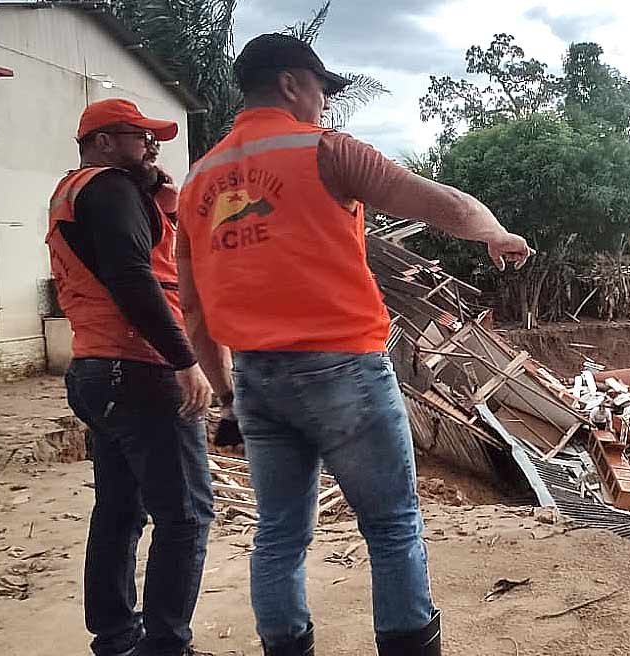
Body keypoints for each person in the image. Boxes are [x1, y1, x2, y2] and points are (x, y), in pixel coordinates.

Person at [175, 33, 533, 656]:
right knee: (392, 526)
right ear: (291, 84)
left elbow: (196, 305)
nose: (324, 104)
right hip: (345, 372)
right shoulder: (324, 151)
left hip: (258, 380)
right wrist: (494, 233)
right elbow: (437, 201)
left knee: (279, 534)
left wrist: (229, 393)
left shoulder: (198, 182)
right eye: (321, 90)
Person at [46, 99, 216, 656]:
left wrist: (158, 193)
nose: (150, 145)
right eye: (137, 135)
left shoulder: (80, 192)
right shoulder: (111, 187)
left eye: (152, 137)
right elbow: (131, 275)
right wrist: (184, 360)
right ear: (100, 141)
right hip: (138, 366)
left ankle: (117, 638)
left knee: (119, 510)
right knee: (186, 517)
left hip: (96, 368)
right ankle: (165, 647)